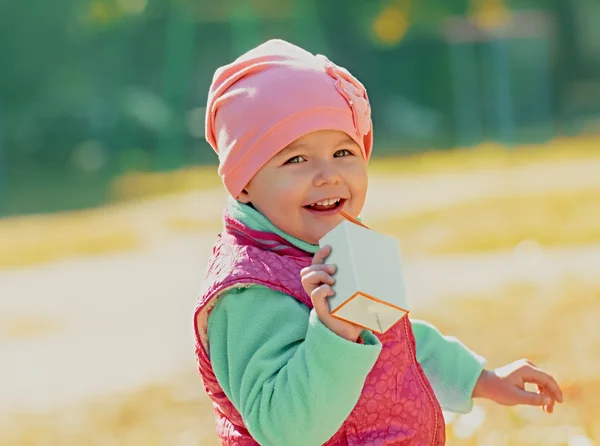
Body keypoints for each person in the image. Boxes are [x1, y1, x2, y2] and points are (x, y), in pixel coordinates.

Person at [193, 39, 563, 445]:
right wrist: (335, 334)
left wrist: (483, 379)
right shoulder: (248, 293)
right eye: (295, 159)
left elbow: (397, 344)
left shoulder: (341, 241)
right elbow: (284, 429)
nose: (328, 175)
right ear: (243, 183)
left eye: (343, 152)